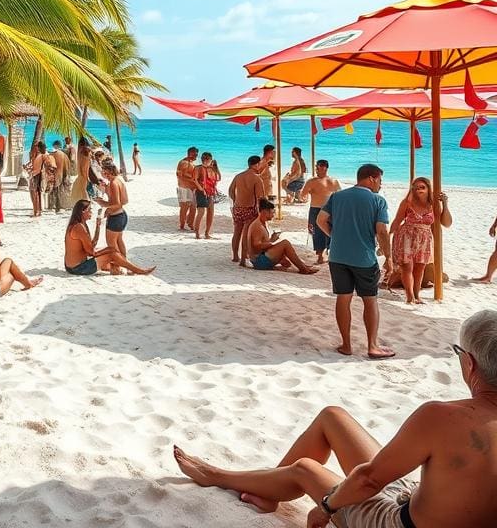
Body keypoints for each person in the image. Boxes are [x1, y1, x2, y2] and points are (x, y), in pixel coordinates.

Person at [173, 309, 497, 528]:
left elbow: (368, 480)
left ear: (469, 363)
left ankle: (218, 475)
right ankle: (269, 490)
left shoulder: (442, 416)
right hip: (418, 502)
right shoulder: (453, 419)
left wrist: (326, 507)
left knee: (306, 469)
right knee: (334, 417)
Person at [316, 164, 395, 359]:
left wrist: (334, 236)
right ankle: (372, 346)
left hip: (337, 256)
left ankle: (346, 345)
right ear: (372, 178)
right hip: (364, 258)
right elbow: (382, 231)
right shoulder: (378, 201)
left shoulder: (337, 196)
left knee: (343, 299)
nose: (380, 185)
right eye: (380, 180)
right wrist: (389, 257)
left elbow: (320, 220)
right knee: (370, 300)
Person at [388, 177, 452, 304]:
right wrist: (388, 237)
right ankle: (410, 297)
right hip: (406, 236)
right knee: (407, 267)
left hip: (424, 239)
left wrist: (445, 204)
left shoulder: (433, 205)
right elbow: (397, 220)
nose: (419, 190)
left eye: (422, 187)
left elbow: (447, 223)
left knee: (420, 268)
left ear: (428, 188)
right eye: (416, 187)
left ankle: (417, 296)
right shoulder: (407, 202)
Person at [64, 199, 155, 275]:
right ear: (83, 212)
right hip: (77, 268)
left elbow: (93, 244)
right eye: (90, 210)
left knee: (111, 257)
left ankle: (118, 268)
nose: (91, 212)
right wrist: (109, 249)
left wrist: (98, 226)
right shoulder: (79, 227)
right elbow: (92, 253)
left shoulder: (81, 224)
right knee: (112, 254)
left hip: (73, 266)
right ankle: (139, 270)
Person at [247, 199, 318, 274]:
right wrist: (272, 243)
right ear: (265, 212)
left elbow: (263, 243)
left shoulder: (263, 223)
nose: (273, 215)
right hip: (259, 261)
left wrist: (272, 240)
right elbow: (256, 246)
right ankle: (303, 268)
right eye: (272, 212)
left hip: (260, 258)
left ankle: (303, 266)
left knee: (283, 246)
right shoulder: (258, 226)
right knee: (285, 243)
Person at [301, 160, 341, 264]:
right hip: (316, 208)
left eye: (319, 168)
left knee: (330, 230)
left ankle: (329, 253)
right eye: (317, 168)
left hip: (329, 209)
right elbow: (302, 195)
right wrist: (308, 192)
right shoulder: (312, 181)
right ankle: (320, 256)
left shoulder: (333, 181)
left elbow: (340, 196)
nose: (317, 170)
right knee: (317, 232)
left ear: (325, 168)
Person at [228, 155, 265, 266]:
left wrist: (235, 201)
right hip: (249, 209)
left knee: (236, 232)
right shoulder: (257, 178)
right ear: (257, 164)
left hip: (238, 208)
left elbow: (230, 190)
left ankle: (235, 256)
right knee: (246, 234)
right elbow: (260, 197)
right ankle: (243, 259)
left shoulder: (238, 176)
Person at [94, 160, 131, 263]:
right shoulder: (118, 180)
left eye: (105, 172)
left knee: (112, 245)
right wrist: (105, 189)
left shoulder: (113, 183)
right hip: (121, 215)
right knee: (119, 242)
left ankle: (117, 267)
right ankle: (125, 264)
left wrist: (102, 203)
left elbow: (117, 203)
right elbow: (124, 201)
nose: (103, 174)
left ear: (110, 171)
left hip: (116, 217)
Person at [192, 152, 219, 240]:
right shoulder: (198, 168)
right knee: (201, 212)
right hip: (201, 192)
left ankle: (207, 233)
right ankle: (197, 233)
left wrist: (216, 166)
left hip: (210, 192)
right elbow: (195, 180)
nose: (209, 161)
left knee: (210, 212)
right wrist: (201, 189)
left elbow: (219, 178)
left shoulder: (212, 169)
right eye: (208, 159)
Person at [176, 147, 200, 231]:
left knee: (193, 207)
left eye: (197, 154)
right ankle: (182, 225)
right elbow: (180, 175)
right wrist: (194, 180)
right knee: (184, 207)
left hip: (191, 188)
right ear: (189, 153)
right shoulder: (184, 162)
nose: (196, 155)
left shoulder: (191, 163)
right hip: (184, 188)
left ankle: (190, 224)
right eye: (194, 154)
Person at [49, 140, 71, 213]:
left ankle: (51, 206)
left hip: (52, 175)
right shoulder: (64, 155)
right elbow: (67, 167)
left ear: (54, 146)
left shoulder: (50, 154)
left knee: (52, 191)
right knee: (61, 191)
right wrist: (66, 176)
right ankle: (60, 207)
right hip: (62, 175)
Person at [70, 137, 93, 204]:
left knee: (82, 191)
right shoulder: (87, 153)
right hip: (83, 175)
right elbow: (85, 167)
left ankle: (87, 204)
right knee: (82, 191)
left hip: (81, 175)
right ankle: (87, 204)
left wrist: (84, 176)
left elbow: (82, 167)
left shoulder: (81, 152)